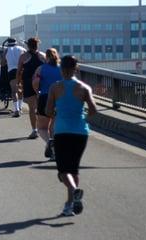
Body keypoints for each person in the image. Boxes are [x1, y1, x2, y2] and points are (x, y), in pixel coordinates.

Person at [46, 55, 97, 217]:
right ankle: (69, 205)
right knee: (73, 169)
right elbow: (94, 110)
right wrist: (82, 119)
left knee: (62, 171)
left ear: (61, 69)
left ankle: (74, 192)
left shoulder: (55, 87)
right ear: (76, 68)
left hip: (61, 131)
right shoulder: (84, 88)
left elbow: (47, 111)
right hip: (81, 132)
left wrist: (57, 113)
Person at [32, 48, 62, 160]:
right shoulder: (62, 69)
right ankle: (55, 150)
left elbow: (35, 82)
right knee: (53, 127)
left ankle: (49, 142)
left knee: (42, 128)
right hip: (59, 99)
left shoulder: (41, 69)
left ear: (47, 57)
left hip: (45, 97)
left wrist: (37, 92)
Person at [17, 37, 46, 138]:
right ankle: (43, 128)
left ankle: (35, 130)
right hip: (41, 83)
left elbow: (19, 71)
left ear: (28, 46)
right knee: (41, 108)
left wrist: (18, 83)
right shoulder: (43, 56)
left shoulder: (23, 57)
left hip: (28, 83)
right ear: (37, 45)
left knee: (32, 108)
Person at [2, 38, 26, 117]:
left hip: (12, 71)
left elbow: (3, 63)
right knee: (20, 90)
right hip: (21, 71)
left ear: (8, 43)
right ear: (16, 43)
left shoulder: (6, 50)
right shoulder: (22, 49)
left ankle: (16, 110)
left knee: (14, 91)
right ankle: (20, 107)